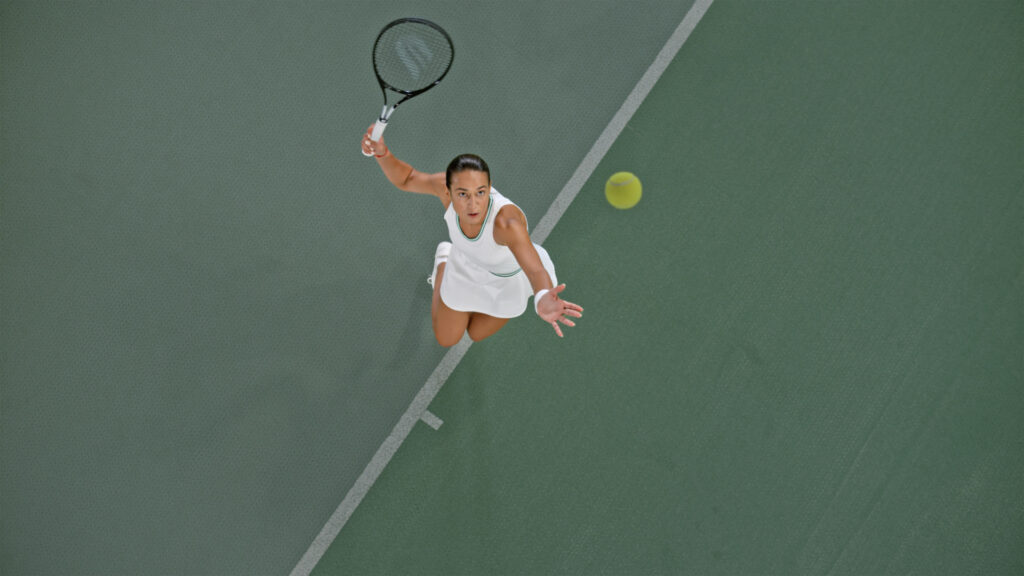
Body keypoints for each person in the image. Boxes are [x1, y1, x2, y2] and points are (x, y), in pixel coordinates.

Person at [361, 127, 583, 347]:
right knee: (447, 339)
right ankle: (443, 263)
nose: (473, 203)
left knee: (476, 334)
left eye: (480, 192)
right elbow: (408, 178)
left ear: (489, 187)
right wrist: (383, 154)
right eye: (463, 194)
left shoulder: (506, 223)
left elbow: (535, 270)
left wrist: (542, 296)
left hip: (509, 281)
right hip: (465, 266)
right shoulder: (442, 189)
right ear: (447, 191)